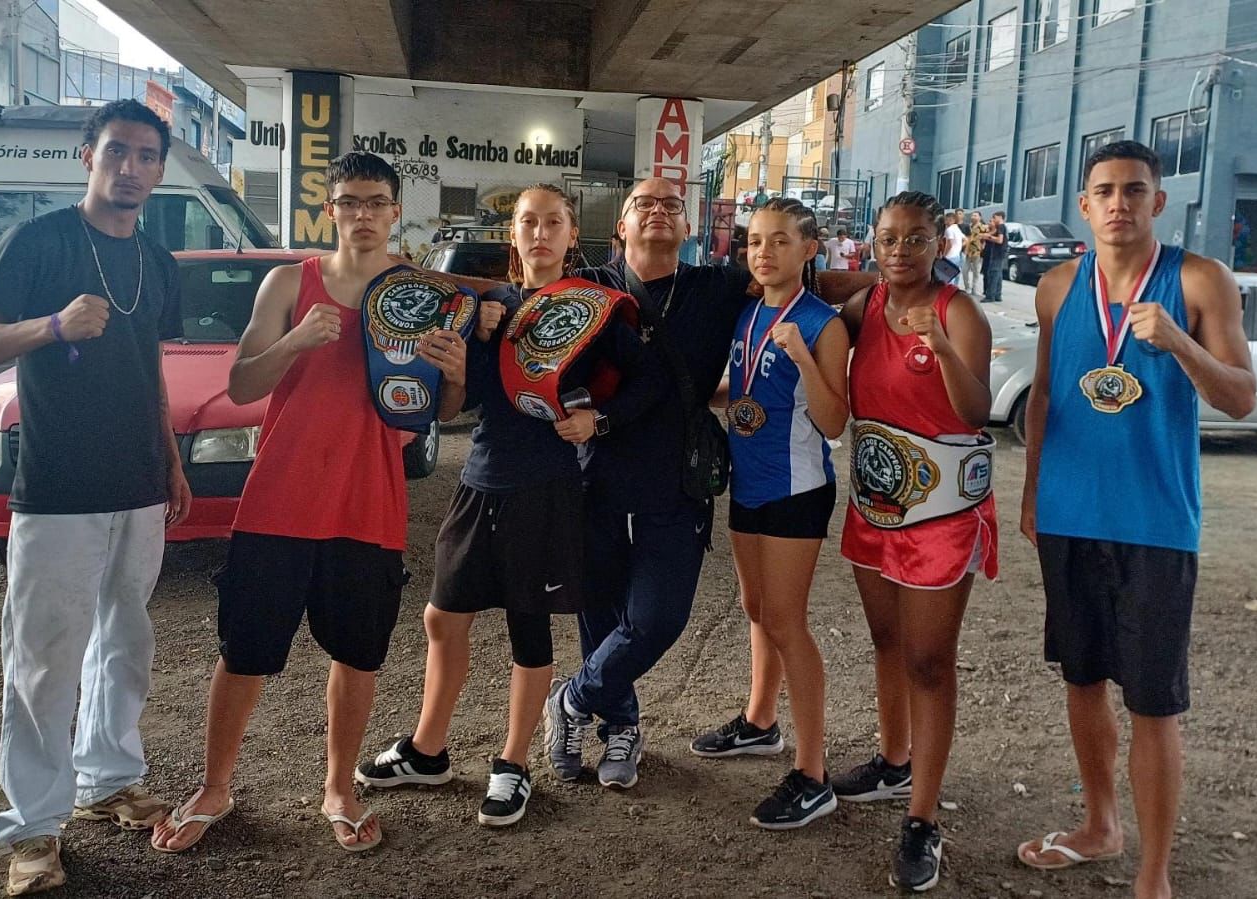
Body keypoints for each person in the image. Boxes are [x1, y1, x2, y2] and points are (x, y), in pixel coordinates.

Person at [150, 151, 469, 855]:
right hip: (281, 497)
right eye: (348, 201)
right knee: (245, 651)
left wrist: (453, 377)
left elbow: (430, 413)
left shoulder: (420, 294)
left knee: (358, 654)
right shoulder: (287, 282)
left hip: (368, 500)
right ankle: (214, 785)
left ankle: (339, 787)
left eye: (375, 201)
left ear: (395, 212)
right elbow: (239, 385)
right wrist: (296, 339)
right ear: (330, 210)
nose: (362, 214)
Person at [539, 177, 873, 792]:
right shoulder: (587, 291)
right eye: (644, 203)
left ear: (690, 230)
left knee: (659, 618)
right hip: (598, 479)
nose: (659, 211)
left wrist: (893, 284)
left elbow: (802, 287)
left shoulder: (717, 289)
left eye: (672, 205)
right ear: (621, 226)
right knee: (601, 611)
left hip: (679, 482)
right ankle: (620, 723)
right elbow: (532, 326)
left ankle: (573, 696)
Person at [353, 184, 662, 826]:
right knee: (442, 618)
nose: (541, 233)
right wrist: (465, 356)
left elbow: (650, 380)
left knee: (528, 628)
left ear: (573, 235)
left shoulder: (596, 310)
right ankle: (428, 750)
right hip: (479, 479)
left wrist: (598, 420)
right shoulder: (485, 306)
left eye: (554, 222)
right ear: (512, 233)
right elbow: (462, 403)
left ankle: (513, 764)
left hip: (544, 489)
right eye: (528, 222)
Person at [0, 99, 186, 896]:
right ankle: (34, 827)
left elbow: (151, 364)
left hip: (140, 486)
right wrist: (49, 326)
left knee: (126, 644)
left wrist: (172, 460)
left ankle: (108, 779)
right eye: (117, 151)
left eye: (147, 155)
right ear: (88, 155)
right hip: (54, 492)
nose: (131, 167)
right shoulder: (40, 241)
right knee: (44, 662)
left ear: (159, 167)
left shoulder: (157, 257)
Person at [1016, 140, 1255, 899]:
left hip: (1154, 522)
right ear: (1083, 206)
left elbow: (1241, 397)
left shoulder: (1197, 280)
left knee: (1153, 700)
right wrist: (1030, 494)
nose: (1118, 203)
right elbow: (1047, 394)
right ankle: (1099, 825)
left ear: (1158, 202)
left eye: (1133, 190)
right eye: (1103, 191)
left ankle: (1154, 875)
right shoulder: (1056, 286)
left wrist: (1178, 339)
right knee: (1081, 678)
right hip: (1068, 515)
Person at [835, 192, 996, 891]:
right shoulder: (862, 304)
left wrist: (937, 347)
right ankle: (893, 759)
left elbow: (976, 409)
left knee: (929, 661)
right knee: (886, 641)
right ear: (872, 242)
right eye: (887, 238)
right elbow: (804, 296)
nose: (899, 250)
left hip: (941, 511)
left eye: (916, 238)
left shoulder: (960, 311)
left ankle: (922, 817)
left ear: (940, 244)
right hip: (874, 503)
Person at [693, 198, 848, 830]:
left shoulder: (822, 323)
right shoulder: (750, 312)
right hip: (748, 482)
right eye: (755, 241)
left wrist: (805, 356)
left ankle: (814, 774)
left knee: (787, 621)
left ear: (809, 248)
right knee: (757, 610)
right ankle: (761, 722)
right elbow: (747, 387)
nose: (764, 252)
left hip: (797, 488)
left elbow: (835, 419)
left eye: (780, 241)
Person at [979, 211, 1008, 303]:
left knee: (993, 274)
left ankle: (990, 295)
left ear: (1000, 217)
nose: (993, 220)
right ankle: (997, 295)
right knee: (998, 274)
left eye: (994, 217)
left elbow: (1000, 240)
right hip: (1000, 253)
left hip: (997, 253)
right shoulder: (1003, 227)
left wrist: (988, 237)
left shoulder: (1001, 227)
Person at [963, 211, 985, 297]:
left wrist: (983, 246)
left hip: (977, 252)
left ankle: (974, 289)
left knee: (976, 272)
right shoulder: (968, 226)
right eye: (972, 215)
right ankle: (967, 287)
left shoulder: (982, 227)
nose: (973, 217)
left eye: (975, 215)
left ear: (980, 217)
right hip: (968, 252)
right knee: (965, 270)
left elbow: (986, 238)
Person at [942, 209, 966, 283]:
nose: (945, 221)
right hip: (957, 256)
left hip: (950, 256)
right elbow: (966, 239)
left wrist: (944, 255)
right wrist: (959, 247)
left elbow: (949, 243)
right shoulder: (957, 229)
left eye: (946, 219)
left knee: (947, 277)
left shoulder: (949, 230)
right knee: (954, 277)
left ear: (950, 219)